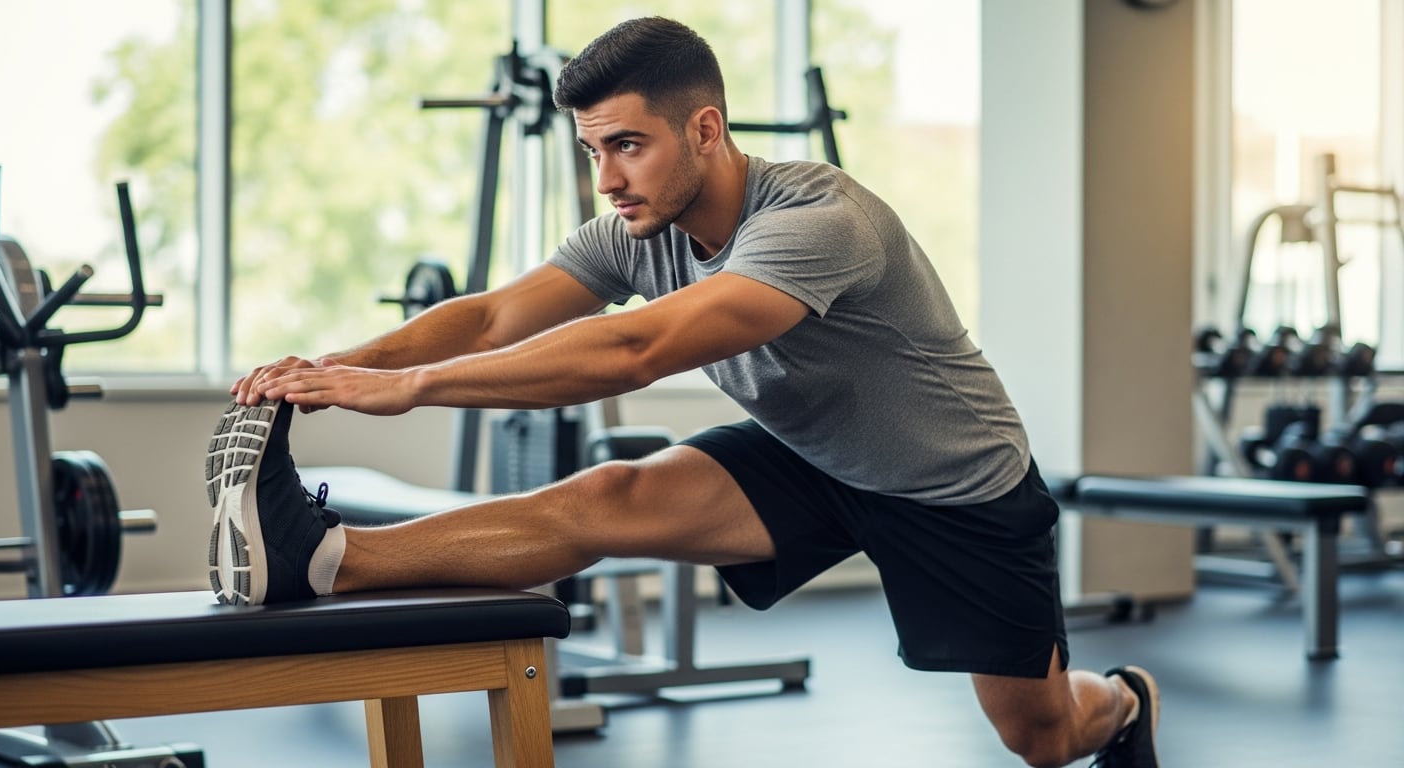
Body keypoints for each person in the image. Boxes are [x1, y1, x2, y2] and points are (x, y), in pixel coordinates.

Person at [207, 16, 1159, 768]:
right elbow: (497, 317)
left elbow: (637, 348)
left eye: (628, 145)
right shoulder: (633, 226)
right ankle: (324, 558)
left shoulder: (819, 219)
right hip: (814, 456)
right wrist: (328, 375)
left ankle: (1122, 704)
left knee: (1039, 738)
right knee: (604, 498)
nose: (609, 178)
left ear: (705, 128)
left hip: (953, 490)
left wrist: (407, 387)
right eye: (593, 151)